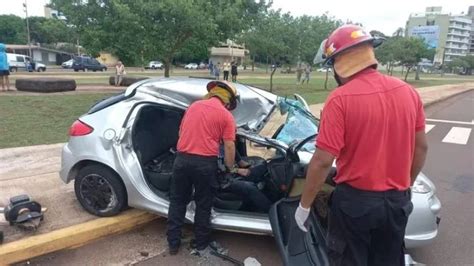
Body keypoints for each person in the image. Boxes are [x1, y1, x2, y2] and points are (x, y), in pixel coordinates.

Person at [294, 25, 427, 266]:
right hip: (397, 203)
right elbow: (421, 148)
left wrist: (304, 206)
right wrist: (404, 186)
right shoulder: (409, 92)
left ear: (338, 64)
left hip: (356, 204)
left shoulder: (340, 99)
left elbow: (323, 161)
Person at [167, 80, 239, 256]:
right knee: (203, 204)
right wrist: (230, 168)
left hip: (182, 160)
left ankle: (173, 244)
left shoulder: (193, 106)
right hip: (205, 164)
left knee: (177, 201)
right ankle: (201, 244)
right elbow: (229, 147)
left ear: (212, 93)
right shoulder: (226, 116)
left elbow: (180, 133)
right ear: (228, 101)